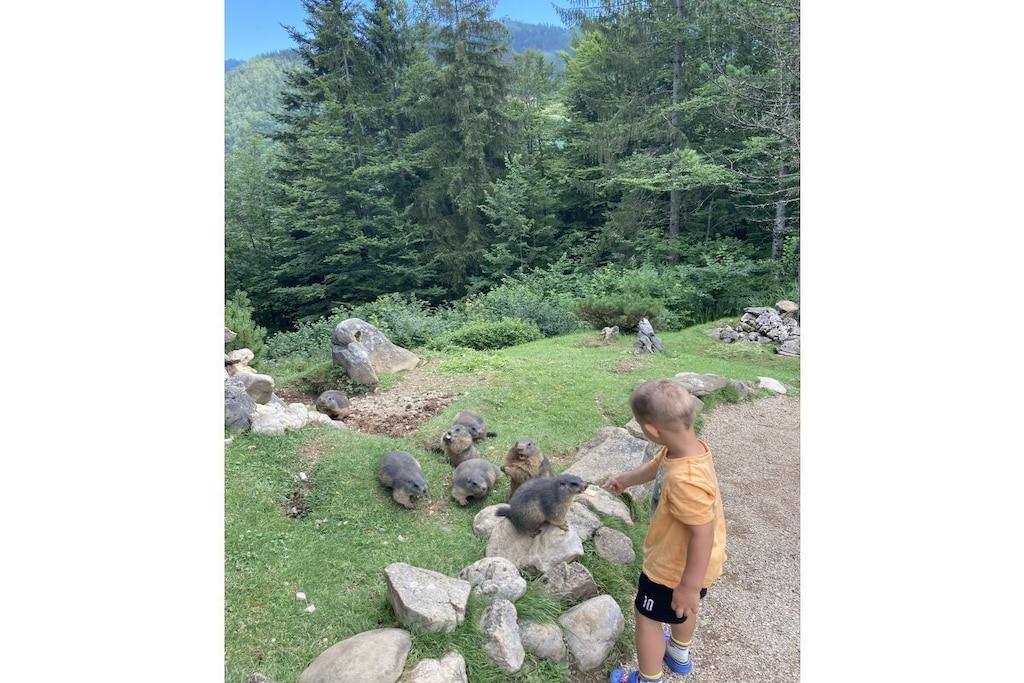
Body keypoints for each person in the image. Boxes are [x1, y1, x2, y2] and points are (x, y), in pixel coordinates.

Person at [605, 379, 727, 683]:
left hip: (673, 569)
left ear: (651, 430)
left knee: (647, 617)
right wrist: (625, 480)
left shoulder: (686, 480)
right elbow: (653, 469)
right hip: (695, 567)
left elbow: (702, 532)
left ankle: (648, 678)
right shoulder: (684, 449)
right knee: (684, 610)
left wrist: (688, 585)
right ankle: (678, 655)